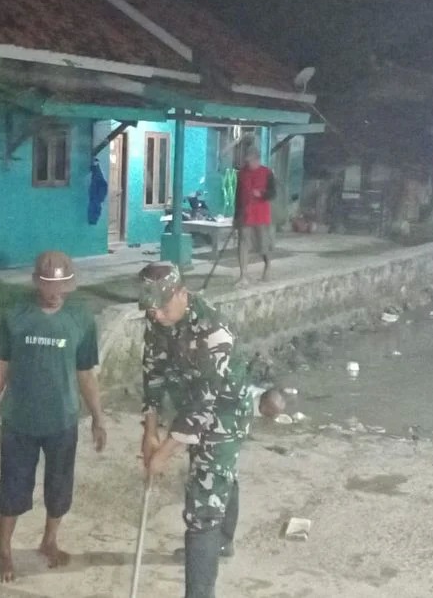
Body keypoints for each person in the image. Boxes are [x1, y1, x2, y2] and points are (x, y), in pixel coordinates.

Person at [0, 251, 107, 583]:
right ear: (37, 282)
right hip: (19, 420)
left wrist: (98, 416)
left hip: (62, 419)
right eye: (48, 284)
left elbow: (85, 372)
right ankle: (3, 551)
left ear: (69, 285)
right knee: (13, 487)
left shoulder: (81, 318)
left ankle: (49, 541)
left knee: (59, 486)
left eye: (60, 285)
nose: (54, 292)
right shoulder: (15, 315)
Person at [138, 262, 252, 598]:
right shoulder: (158, 318)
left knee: (203, 504)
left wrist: (163, 454)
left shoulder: (213, 332)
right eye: (151, 308)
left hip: (225, 412)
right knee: (219, 476)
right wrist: (150, 430)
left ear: (182, 294)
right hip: (190, 403)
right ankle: (222, 542)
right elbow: (153, 371)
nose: (156, 315)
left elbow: (202, 408)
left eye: (162, 306)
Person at [234, 144, 276, 285]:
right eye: (247, 161)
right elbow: (238, 196)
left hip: (261, 215)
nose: (249, 163)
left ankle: (267, 265)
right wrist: (236, 216)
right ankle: (243, 275)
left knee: (263, 245)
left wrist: (262, 194)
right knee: (243, 243)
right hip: (245, 214)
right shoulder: (242, 174)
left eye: (251, 160)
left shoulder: (267, 173)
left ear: (257, 159)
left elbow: (273, 193)